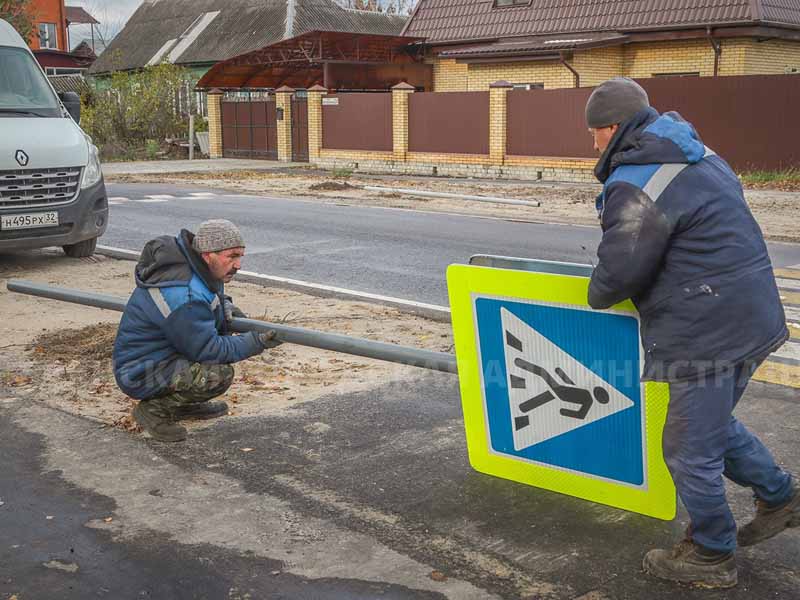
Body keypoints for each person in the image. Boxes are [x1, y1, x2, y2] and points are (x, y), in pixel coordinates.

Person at [584, 78, 798, 588]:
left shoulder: (638, 180)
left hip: (706, 329)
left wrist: (595, 291)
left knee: (686, 449)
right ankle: (780, 497)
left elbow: (619, 273)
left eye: (593, 132)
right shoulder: (697, 151)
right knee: (712, 427)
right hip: (751, 315)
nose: (592, 142)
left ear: (611, 128)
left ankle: (711, 553)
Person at [113, 219, 281, 442]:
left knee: (210, 369)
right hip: (140, 373)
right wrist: (255, 342)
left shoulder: (194, 269)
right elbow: (209, 350)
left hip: (156, 358)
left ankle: (181, 405)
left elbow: (208, 298)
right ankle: (154, 410)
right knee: (218, 375)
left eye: (240, 256)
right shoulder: (184, 294)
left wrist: (224, 305)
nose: (239, 264)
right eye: (232, 256)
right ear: (207, 254)